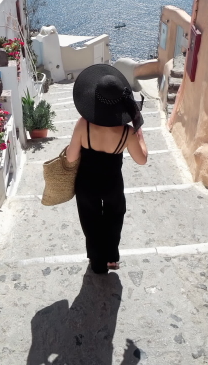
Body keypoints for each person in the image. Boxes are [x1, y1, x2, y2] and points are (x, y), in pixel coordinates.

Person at [65, 64, 148, 275]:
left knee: (90, 220)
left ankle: (97, 262)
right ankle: (111, 258)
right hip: (112, 183)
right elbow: (142, 160)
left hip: (86, 182)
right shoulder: (127, 132)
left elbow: (71, 157)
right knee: (114, 218)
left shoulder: (83, 124)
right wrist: (139, 135)